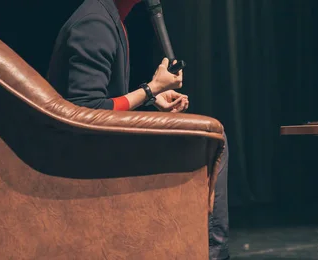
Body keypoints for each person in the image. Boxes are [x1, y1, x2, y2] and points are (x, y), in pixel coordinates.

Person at [47, 0, 229, 259]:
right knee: (210, 140)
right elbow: (87, 111)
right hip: (86, 157)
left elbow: (105, 98)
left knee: (210, 138)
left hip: (101, 144)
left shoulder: (109, 17)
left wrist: (153, 97)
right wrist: (150, 89)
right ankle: (214, 254)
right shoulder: (94, 23)